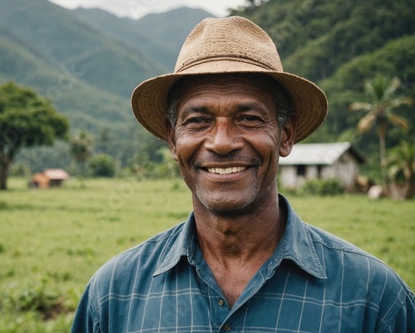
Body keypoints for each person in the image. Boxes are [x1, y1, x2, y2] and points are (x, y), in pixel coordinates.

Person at [71, 16, 414, 332]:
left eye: (248, 118)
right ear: (172, 139)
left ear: (286, 135)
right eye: (198, 120)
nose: (221, 143)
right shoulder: (113, 295)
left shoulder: (375, 298)